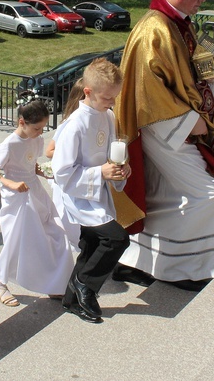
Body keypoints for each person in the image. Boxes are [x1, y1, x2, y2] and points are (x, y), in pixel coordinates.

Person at [112, 0, 214, 292]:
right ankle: (187, 269)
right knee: (207, 193)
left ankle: (136, 262)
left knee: (163, 196)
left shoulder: (178, 22)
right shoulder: (154, 28)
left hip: (175, 124)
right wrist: (190, 122)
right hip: (162, 126)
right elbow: (144, 87)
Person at [53, 58, 131, 324]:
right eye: (107, 97)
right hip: (78, 196)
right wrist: (100, 172)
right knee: (116, 239)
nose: (112, 103)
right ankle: (85, 285)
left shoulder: (107, 115)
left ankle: (71, 301)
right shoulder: (74, 125)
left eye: (114, 97)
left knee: (93, 244)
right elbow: (62, 172)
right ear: (87, 92)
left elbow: (109, 151)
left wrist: (121, 168)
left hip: (97, 192)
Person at [0, 96, 74, 306]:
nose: (41, 132)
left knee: (55, 234)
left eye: (43, 128)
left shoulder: (36, 140)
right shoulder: (8, 145)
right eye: (37, 128)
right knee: (17, 241)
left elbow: (31, 165)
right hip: (17, 199)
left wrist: (45, 171)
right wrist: (11, 184)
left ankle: (54, 282)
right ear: (21, 122)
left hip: (35, 191)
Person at [44, 79, 85, 250]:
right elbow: (49, 151)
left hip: (81, 177)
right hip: (68, 178)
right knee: (67, 223)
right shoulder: (69, 123)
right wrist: (69, 156)